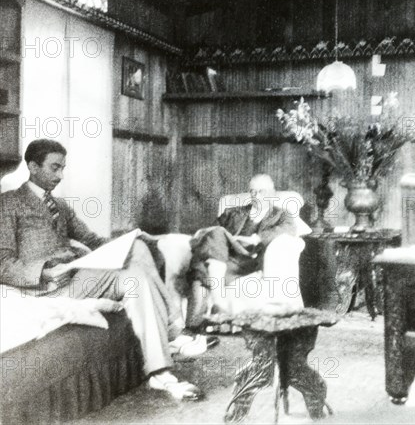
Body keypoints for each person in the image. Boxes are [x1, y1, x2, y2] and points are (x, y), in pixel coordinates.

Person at [0, 139, 202, 401]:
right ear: (33, 166)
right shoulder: (8, 204)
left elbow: (93, 241)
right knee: (137, 262)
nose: (60, 176)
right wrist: (43, 272)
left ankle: (158, 373)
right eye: (54, 168)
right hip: (45, 287)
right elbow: (3, 261)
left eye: (63, 168)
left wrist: (128, 240)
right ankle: (174, 329)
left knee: (136, 267)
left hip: (77, 277)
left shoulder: (61, 206)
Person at [185, 174, 298, 330]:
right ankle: (203, 322)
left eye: (262, 191)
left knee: (202, 267)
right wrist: (200, 235)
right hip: (226, 259)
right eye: (253, 191)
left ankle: (201, 318)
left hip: (251, 261)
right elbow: (210, 234)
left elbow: (288, 229)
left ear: (272, 192)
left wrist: (257, 238)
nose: (256, 196)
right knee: (214, 239)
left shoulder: (281, 214)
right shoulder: (233, 212)